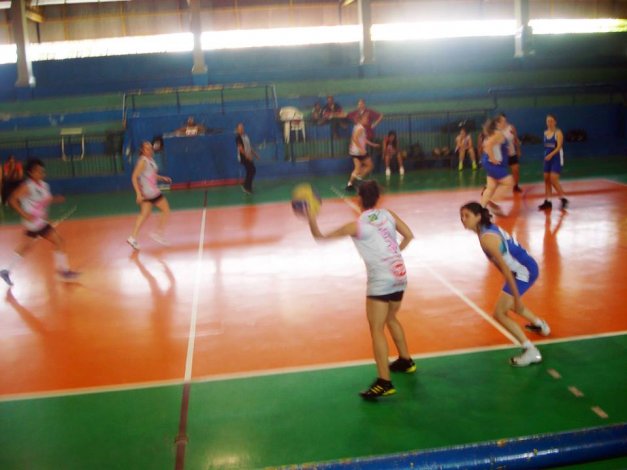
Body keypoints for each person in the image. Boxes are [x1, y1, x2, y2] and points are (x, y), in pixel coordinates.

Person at [307, 181, 415, 399]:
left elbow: (320, 236)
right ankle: (406, 361)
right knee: (391, 317)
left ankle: (384, 382)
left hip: (381, 279)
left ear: (358, 199)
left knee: (376, 329)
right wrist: (394, 254)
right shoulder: (388, 215)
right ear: (377, 198)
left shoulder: (357, 226)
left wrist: (311, 216)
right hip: (399, 274)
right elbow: (409, 235)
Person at [460, 202, 551, 366]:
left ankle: (531, 351)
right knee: (508, 303)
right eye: (462, 216)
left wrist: (517, 299)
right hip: (525, 267)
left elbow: (506, 270)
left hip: (523, 272)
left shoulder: (487, 239)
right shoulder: (486, 230)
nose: (463, 219)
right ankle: (541, 325)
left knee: (500, 313)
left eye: (467, 216)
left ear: (478, 217)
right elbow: (502, 265)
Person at [0, 159, 80, 286]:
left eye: (42, 170)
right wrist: (24, 214)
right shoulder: (27, 186)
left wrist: (55, 199)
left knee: (26, 247)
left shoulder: (44, 185)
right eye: (38, 171)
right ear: (30, 173)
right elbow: (12, 200)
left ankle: (6, 271)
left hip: (40, 222)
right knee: (58, 242)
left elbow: (44, 200)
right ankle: (63, 271)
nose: (42, 173)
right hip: (33, 224)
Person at [127, 141, 172, 250]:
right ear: (142, 150)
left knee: (144, 214)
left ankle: (132, 237)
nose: (149, 150)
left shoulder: (150, 160)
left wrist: (162, 178)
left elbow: (151, 174)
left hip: (147, 193)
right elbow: (134, 177)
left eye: (150, 148)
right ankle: (158, 233)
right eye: (147, 149)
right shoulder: (143, 161)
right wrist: (138, 193)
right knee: (166, 210)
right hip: (151, 192)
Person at [479, 116, 514, 214]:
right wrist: (493, 158)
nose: (505, 123)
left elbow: (490, 145)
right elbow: (488, 145)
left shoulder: (497, 133)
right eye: (503, 122)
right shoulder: (498, 133)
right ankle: (493, 202)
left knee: (491, 187)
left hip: (491, 163)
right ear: (497, 124)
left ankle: (481, 210)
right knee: (509, 182)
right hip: (493, 164)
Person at [538, 114, 569, 211]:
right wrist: (546, 156)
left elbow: (559, 147)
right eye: (548, 121)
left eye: (551, 121)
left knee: (553, 179)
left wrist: (551, 155)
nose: (549, 123)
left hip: (556, 158)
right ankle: (548, 201)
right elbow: (546, 147)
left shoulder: (558, 133)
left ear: (555, 122)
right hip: (547, 158)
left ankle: (563, 199)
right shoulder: (545, 133)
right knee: (546, 179)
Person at [345, 114, 380, 191]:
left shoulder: (356, 127)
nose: (367, 120)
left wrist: (373, 144)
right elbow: (354, 138)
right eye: (365, 118)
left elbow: (363, 139)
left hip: (354, 152)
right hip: (359, 152)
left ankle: (350, 184)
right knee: (370, 166)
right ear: (361, 119)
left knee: (357, 168)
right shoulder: (360, 128)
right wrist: (361, 149)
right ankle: (359, 179)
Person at [499, 113, 523, 193]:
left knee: (516, 170)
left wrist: (518, 150)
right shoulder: (497, 130)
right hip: (502, 155)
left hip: (512, 153)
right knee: (496, 173)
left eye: (504, 120)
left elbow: (516, 139)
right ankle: (487, 187)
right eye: (501, 120)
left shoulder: (511, 128)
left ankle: (516, 186)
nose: (503, 121)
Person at [235, 123, 260, 194]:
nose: (241, 130)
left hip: (248, 156)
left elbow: (249, 147)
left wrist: (255, 154)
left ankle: (246, 185)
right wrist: (247, 156)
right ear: (237, 130)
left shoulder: (246, 136)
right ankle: (247, 187)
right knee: (252, 170)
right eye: (240, 129)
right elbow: (240, 149)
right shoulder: (238, 138)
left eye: (242, 128)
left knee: (251, 171)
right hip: (243, 157)